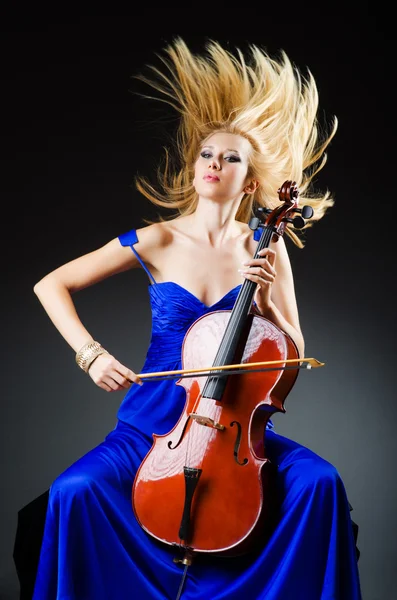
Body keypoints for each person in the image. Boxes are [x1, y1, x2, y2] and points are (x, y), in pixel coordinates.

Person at [31, 37, 362, 599]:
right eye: (207, 154)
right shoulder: (157, 239)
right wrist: (91, 354)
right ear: (194, 165)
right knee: (75, 490)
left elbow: (294, 353)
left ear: (250, 182)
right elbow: (50, 283)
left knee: (319, 483)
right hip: (152, 421)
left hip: (237, 428)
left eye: (230, 157)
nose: (215, 163)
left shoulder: (266, 246)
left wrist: (259, 303)